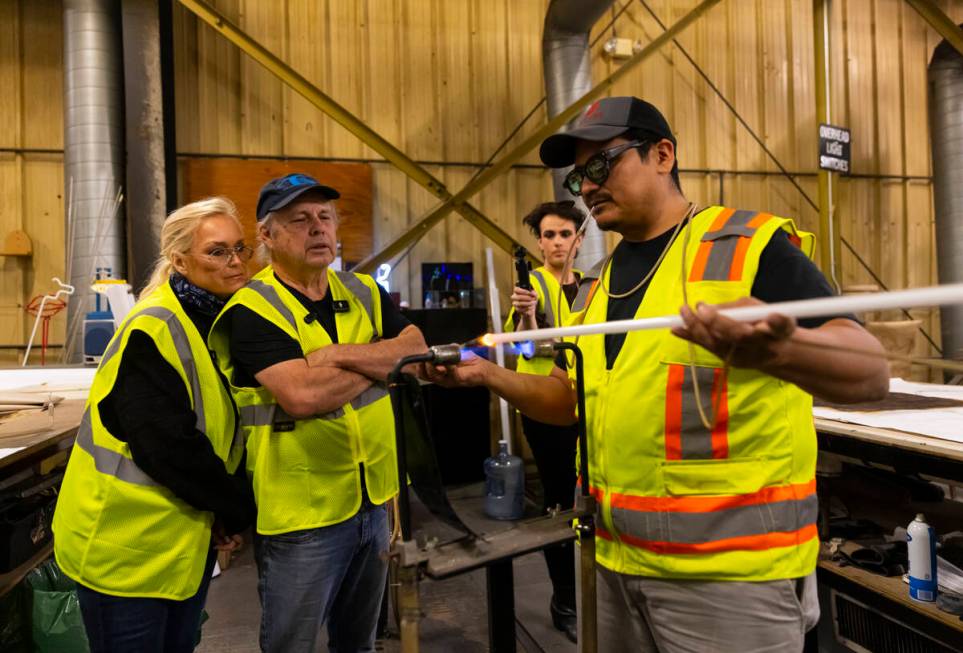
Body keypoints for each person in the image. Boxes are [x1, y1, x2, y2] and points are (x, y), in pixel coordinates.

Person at [425, 96, 890, 652]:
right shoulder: (597, 286)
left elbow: (869, 373)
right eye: (579, 178)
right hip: (612, 561)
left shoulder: (742, 246)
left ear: (663, 154)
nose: (589, 187)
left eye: (602, 165)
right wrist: (485, 377)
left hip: (728, 578)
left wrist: (778, 351)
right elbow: (571, 401)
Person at [208, 173, 427, 653]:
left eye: (324, 217)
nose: (318, 229)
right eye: (300, 220)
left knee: (360, 642)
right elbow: (302, 396)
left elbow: (415, 348)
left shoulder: (364, 290)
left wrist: (334, 356)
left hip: (373, 503)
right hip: (302, 514)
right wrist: (379, 360)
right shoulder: (252, 309)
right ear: (266, 236)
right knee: (292, 645)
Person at [53, 197, 257, 653]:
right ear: (180, 260)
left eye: (241, 249)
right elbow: (168, 447)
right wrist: (239, 508)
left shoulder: (210, 323)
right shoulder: (155, 328)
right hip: (123, 551)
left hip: (175, 547)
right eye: (218, 251)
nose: (237, 263)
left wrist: (218, 512)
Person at [504, 201, 586, 642]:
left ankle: (592, 593)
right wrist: (527, 319)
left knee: (591, 499)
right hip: (545, 408)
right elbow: (523, 351)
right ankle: (565, 601)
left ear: (580, 238)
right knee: (559, 502)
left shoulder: (594, 287)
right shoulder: (529, 287)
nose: (557, 242)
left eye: (565, 233)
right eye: (550, 235)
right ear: (539, 242)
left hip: (588, 405)